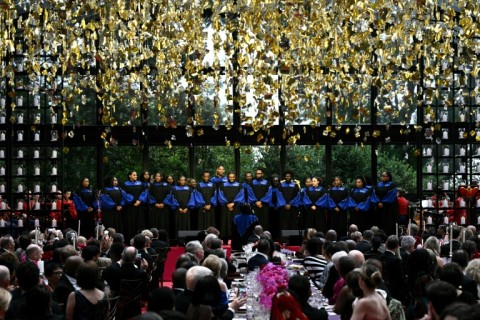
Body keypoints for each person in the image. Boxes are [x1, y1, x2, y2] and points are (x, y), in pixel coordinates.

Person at [217, 172, 245, 237]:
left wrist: (233, 203)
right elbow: (220, 195)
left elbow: (241, 195)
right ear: (227, 177)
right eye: (230, 177)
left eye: (233, 177)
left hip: (236, 207)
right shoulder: (223, 185)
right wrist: (227, 204)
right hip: (225, 207)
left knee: (236, 222)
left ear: (235, 177)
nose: (231, 178)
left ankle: (236, 237)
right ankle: (225, 238)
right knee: (225, 222)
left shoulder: (239, 185)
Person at [122, 171, 148, 241]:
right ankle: (130, 239)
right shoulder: (125, 184)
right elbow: (124, 194)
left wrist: (140, 200)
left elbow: (144, 193)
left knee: (140, 222)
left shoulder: (140, 183)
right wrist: (133, 201)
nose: (135, 176)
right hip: (130, 207)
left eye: (136, 175)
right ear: (129, 176)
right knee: (131, 223)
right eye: (134, 175)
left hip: (139, 206)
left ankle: (140, 239)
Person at [372, 171, 398, 236]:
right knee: (379, 222)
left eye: (384, 176)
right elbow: (374, 194)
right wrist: (378, 202)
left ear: (388, 177)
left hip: (389, 207)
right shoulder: (378, 185)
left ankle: (389, 236)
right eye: (382, 176)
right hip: (379, 207)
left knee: (388, 223)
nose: (382, 177)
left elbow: (391, 195)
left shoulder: (392, 185)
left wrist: (383, 202)